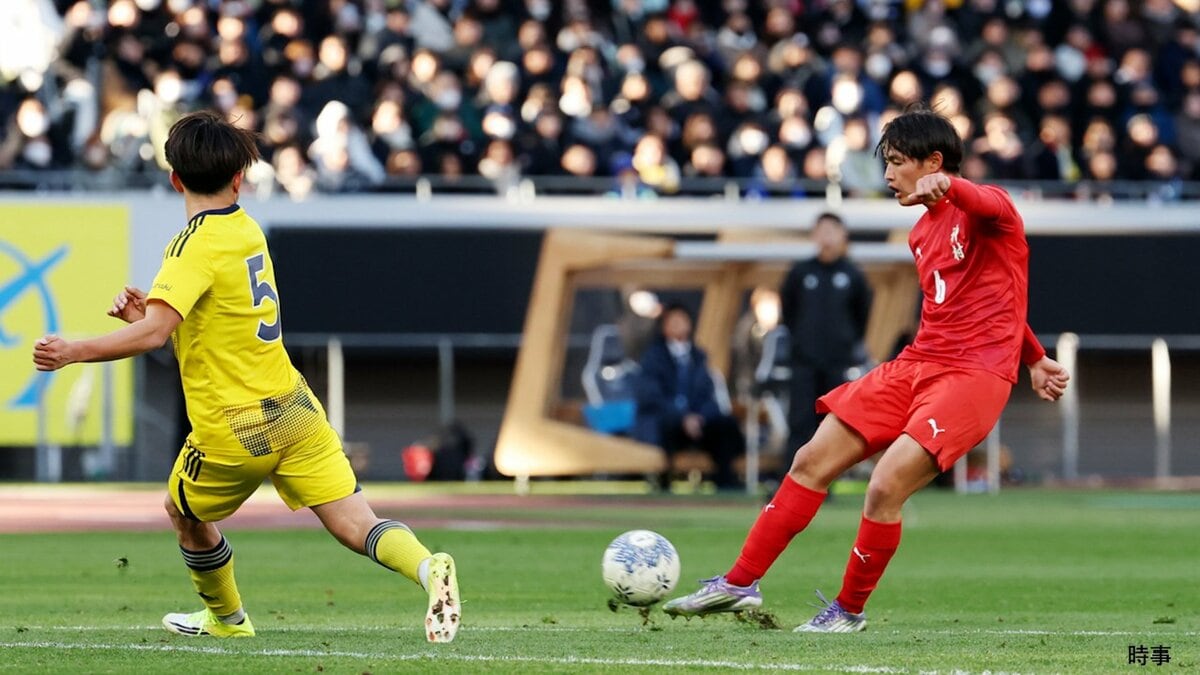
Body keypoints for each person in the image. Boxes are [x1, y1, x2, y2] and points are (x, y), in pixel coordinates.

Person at [31, 111, 460, 643]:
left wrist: (73, 351)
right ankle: (428, 567)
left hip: (235, 426)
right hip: (294, 408)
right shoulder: (247, 230)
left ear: (175, 180)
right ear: (238, 180)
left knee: (182, 511)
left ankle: (227, 620)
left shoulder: (191, 245)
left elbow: (155, 335)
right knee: (357, 523)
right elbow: (211, 329)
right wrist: (149, 318)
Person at [662, 105, 1070, 631]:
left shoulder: (991, 210)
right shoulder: (921, 234)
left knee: (884, 485)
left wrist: (950, 186)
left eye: (897, 162)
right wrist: (1035, 357)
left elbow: (983, 200)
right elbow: (983, 302)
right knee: (810, 459)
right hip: (917, 364)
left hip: (973, 377)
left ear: (934, 162)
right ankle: (740, 583)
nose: (888, 175)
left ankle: (848, 610)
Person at [779, 212, 873, 452]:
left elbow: (861, 314)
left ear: (843, 235)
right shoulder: (800, 272)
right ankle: (793, 474)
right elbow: (788, 311)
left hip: (837, 364)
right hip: (803, 363)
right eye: (822, 231)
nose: (827, 237)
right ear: (814, 235)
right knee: (799, 423)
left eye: (832, 231)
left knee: (834, 424)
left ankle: (831, 475)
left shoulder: (853, 275)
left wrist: (846, 342)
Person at [633, 303, 744, 490]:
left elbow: (708, 395)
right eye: (673, 321)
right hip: (667, 423)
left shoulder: (698, 357)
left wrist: (699, 418)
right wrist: (683, 417)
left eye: (681, 320)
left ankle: (726, 479)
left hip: (697, 424)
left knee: (725, 425)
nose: (678, 325)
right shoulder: (653, 358)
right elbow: (651, 396)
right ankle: (663, 482)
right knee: (667, 426)